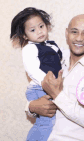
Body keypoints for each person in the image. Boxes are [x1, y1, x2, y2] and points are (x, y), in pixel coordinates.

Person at [10, 7, 62, 141]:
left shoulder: (52, 46)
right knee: (46, 124)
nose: (39, 32)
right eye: (33, 30)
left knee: (53, 123)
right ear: (25, 36)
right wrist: (48, 83)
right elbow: (32, 70)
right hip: (39, 88)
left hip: (50, 87)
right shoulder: (29, 48)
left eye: (41, 26)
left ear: (47, 26)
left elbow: (61, 65)